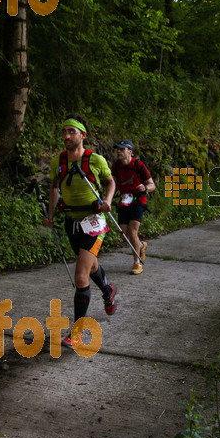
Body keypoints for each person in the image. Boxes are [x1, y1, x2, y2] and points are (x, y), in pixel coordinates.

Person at [43, 116, 117, 349]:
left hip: (94, 222)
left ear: (83, 135)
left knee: (81, 276)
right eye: (64, 132)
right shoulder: (58, 161)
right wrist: (51, 215)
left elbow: (110, 182)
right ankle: (108, 289)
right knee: (91, 266)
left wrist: (107, 200)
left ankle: (77, 332)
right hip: (71, 222)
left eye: (72, 132)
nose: (66, 136)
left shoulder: (95, 159)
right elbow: (54, 188)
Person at [112, 140, 155, 275]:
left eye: (122, 149)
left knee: (132, 232)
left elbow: (152, 185)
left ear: (130, 151)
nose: (118, 151)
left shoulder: (139, 165)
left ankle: (137, 263)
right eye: (118, 149)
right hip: (124, 201)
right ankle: (141, 246)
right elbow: (113, 184)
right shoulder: (116, 166)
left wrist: (145, 187)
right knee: (124, 235)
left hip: (138, 200)